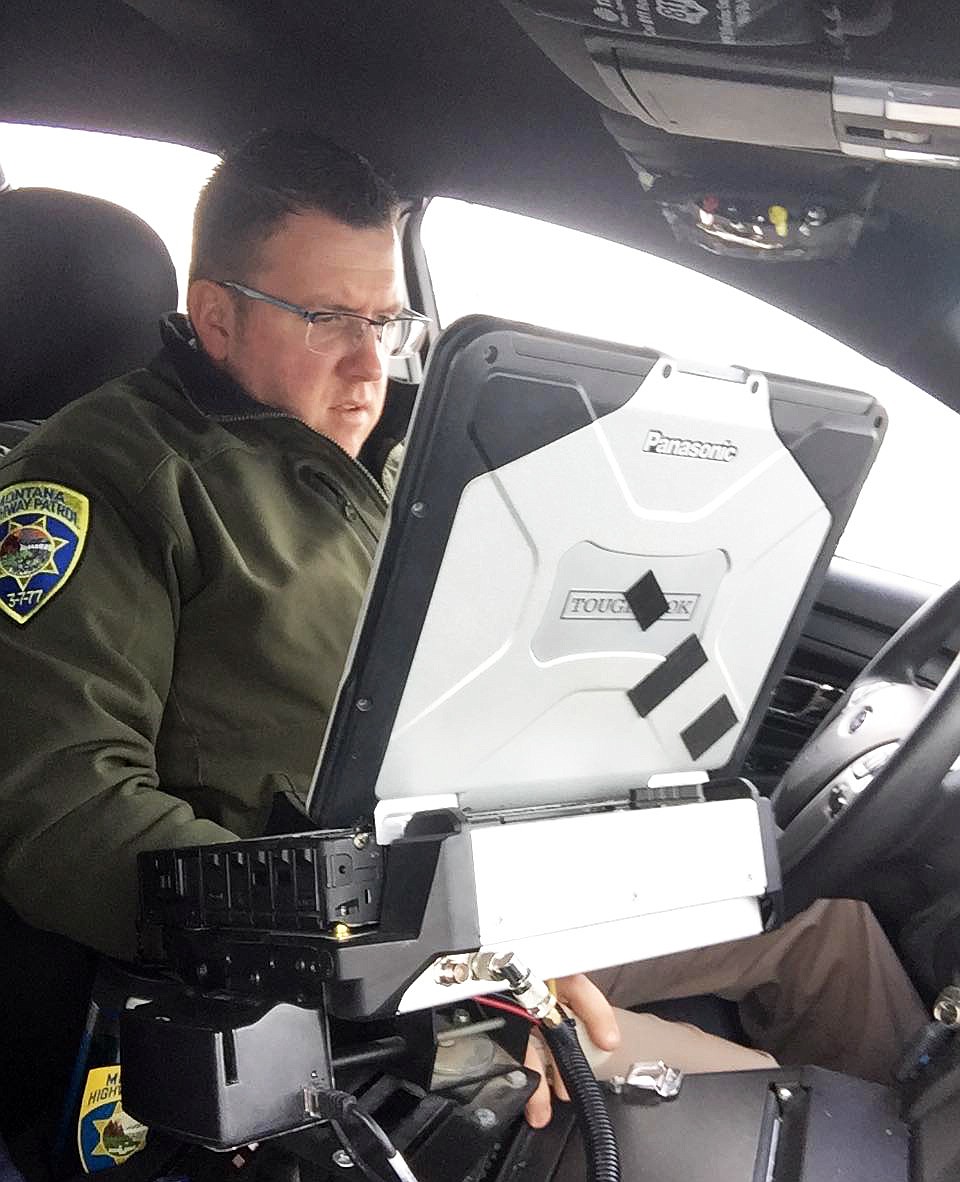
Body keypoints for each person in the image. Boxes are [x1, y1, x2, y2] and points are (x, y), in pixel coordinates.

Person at [0, 130, 926, 1135]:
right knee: (789, 1117)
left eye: (387, 321)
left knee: (831, 937)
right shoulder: (110, 480)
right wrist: (395, 960)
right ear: (215, 316)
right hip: (332, 951)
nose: (368, 364)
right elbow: (60, 810)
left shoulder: (413, 451)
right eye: (326, 320)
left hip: (495, 885)